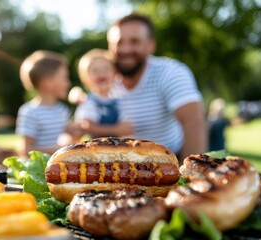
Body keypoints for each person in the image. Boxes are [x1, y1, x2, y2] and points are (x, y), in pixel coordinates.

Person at [107, 13, 207, 160]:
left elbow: (193, 121)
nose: (126, 49)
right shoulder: (104, 80)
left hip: (170, 161)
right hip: (122, 167)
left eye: (134, 41)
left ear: (150, 46)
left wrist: (188, 177)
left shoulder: (170, 72)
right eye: (119, 42)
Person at [16, 50, 81, 156]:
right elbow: (26, 150)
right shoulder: (30, 112)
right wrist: (57, 149)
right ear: (47, 83)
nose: (68, 83)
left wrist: (75, 133)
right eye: (64, 78)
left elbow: (68, 138)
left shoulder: (62, 109)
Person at [74, 49, 134, 138]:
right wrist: (117, 129)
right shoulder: (88, 101)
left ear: (114, 73)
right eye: (95, 70)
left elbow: (127, 127)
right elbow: (86, 126)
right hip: (96, 148)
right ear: (85, 78)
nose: (101, 73)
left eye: (106, 68)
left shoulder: (120, 97)